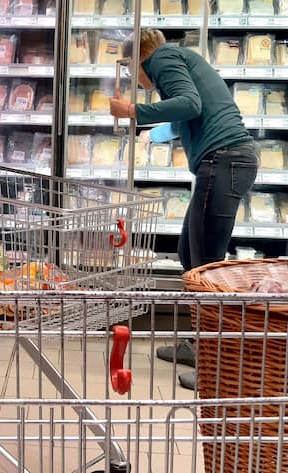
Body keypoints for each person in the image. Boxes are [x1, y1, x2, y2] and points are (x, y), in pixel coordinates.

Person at [109, 29, 258, 390]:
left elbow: (190, 104)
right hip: (225, 161)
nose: (135, 80)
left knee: (207, 266)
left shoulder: (161, 58)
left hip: (224, 161)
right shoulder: (177, 60)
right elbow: (184, 118)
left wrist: (133, 111)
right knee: (190, 254)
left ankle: (217, 367)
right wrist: (152, 133)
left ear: (137, 60)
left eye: (130, 71)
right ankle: (197, 344)